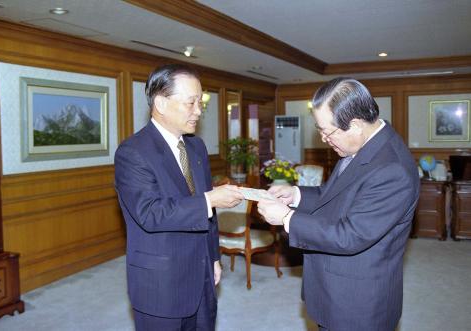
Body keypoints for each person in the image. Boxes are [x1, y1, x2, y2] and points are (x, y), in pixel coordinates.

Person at [258, 77, 420, 331]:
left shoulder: (392, 169)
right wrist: (296, 195)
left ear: (355, 125)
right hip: (333, 291)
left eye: (328, 131)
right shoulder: (363, 147)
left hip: (357, 304)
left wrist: (287, 218)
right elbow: (336, 195)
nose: (323, 138)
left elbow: (350, 235)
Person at [115, 64, 244, 330]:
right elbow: (151, 213)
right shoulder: (133, 152)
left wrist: (214, 258)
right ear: (161, 103)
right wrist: (211, 200)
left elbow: (209, 216)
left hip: (203, 276)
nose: (198, 110)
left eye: (200, 102)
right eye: (191, 102)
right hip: (161, 285)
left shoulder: (196, 146)